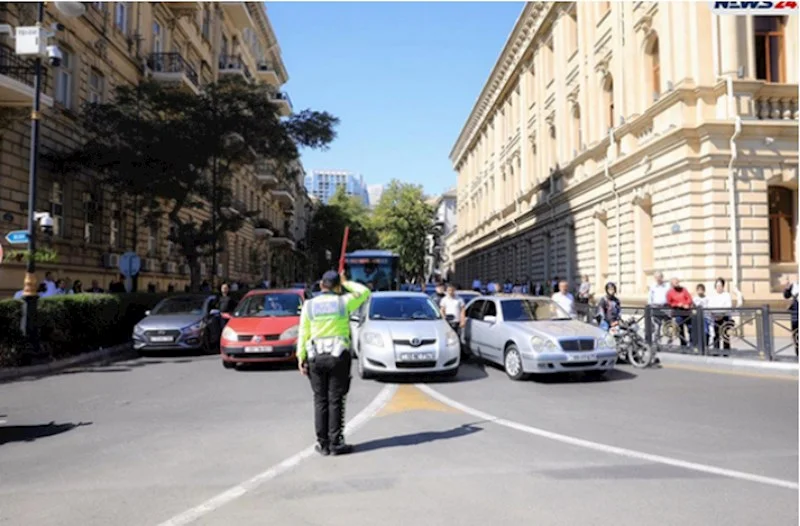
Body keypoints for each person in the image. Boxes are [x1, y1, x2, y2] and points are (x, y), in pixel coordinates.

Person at [297, 269, 371, 456]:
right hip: (338, 356)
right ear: (337, 286)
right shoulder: (343, 302)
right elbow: (365, 292)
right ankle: (336, 442)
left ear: (322, 285)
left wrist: (301, 356)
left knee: (320, 400)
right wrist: (346, 282)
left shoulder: (309, 305)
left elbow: (303, 332)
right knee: (336, 400)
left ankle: (323, 444)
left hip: (315, 356)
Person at [707, 278, 737, 354]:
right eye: (717, 286)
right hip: (715, 318)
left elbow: (728, 306)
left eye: (720, 286)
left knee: (725, 335)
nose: (718, 288)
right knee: (715, 335)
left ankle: (726, 352)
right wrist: (714, 315)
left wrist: (722, 315)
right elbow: (710, 306)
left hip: (725, 317)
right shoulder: (712, 295)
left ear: (723, 286)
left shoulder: (726, 295)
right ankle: (716, 351)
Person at [666, 278, 693, 347]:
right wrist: (676, 304)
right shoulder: (669, 292)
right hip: (677, 311)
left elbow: (689, 298)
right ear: (672, 284)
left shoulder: (684, 289)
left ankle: (692, 344)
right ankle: (683, 344)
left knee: (690, 328)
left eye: (678, 282)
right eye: (676, 283)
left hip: (686, 311)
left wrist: (687, 304)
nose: (677, 284)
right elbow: (669, 303)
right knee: (680, 329)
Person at [647, 272, 670, 342]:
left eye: (659, 277)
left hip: (666, 307)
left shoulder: (667, 285)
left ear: (662, 277)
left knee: (668, 324)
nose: (658, 279)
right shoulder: (653, 286)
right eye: (656, 277)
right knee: (657, 325)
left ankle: (669, 341)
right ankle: (657, 341)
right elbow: (650, 297)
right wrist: (650, 306)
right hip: (656, 307)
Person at [782, 277, 798, 356]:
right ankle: (798, 352)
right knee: (796, 332)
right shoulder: (793, 285)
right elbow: (786, 296)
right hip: (795, 313)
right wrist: (787, 288)